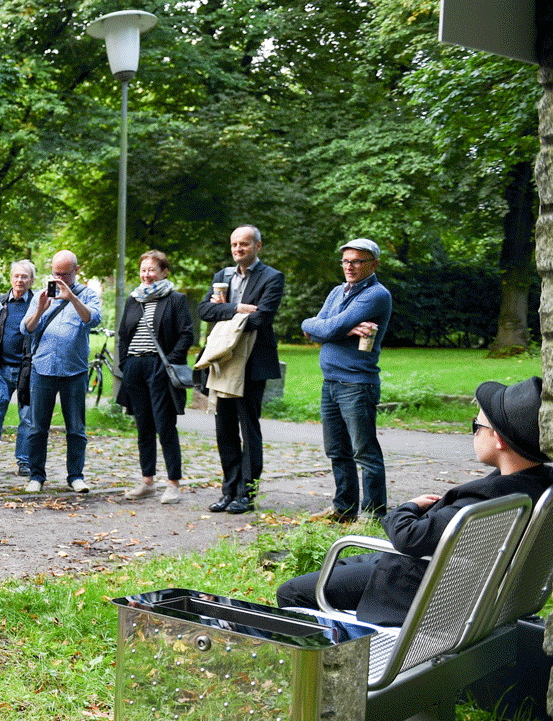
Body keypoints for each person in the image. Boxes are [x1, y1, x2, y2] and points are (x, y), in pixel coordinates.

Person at [277, 377, 553, 627]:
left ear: (500, 441)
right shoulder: (538, 485)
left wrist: (408, 507)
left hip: (418, 586)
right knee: (335, 567)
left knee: (292, 592)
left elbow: (409, 537)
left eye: (476, 426)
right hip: (456, 582)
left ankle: (337, 662)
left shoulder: (485, 502)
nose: (473, 432)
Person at [302, 238, 393, 523]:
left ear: (373, 264)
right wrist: (327, 328)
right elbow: (315, 327)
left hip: (356, 384)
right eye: (345, 261)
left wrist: (331, 329)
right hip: (330, 382)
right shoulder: (336, 292)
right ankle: (344, 509)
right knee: (337, 450)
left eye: (356, 261)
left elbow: (331, 328)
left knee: (364, 452)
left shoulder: (376, 294)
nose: (349, 266)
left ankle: (374, 515)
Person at [198, 226, 284, 514]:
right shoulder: (222, 277)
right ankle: (228, 491)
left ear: (258, 246)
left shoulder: (272, 277)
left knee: (249, 428)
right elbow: (204, 311)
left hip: (252, 362)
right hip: (223, 361)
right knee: (224, 430)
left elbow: (263, 318)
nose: (238, 249)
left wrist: (229, 309)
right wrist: (240, 308)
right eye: (234, 244)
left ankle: (246, 494)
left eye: (244, 244)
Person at [115, 250, 193, 505]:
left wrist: (168, 362)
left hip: (160, 367)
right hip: (134, 368)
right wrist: (125, 363)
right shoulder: (134, 300)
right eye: (143, 270)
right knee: (143, 426)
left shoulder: (175, 299)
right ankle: (147, 481)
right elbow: (123, 335)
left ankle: (173, 483)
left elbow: (186, 335)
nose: (146, 275)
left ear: (164, 272)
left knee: (164, 426)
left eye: (152, 270)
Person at [21, 250, 100, 494]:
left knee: (76, 428)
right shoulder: (43, 294)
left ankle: (75, 476)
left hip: (73, 371)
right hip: (42, 369)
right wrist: (41, 309)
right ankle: (36, 476)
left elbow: (93, 320)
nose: (59, 279)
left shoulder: (88, 294)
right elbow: (26, 329)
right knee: (37, 427)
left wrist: (72, 298)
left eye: (65, 274)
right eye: (56, 273)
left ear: (76, 271)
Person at [0, 259, 36, 479]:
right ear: (10, 278)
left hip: (28, 370)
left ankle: (24, 462)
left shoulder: (38, 303)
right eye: (16, 276)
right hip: (0, 368)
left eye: (25, 276)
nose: (20, 280)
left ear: (31, 280)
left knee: (27, 418)